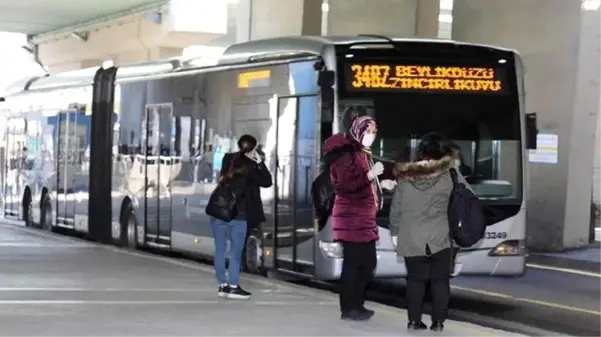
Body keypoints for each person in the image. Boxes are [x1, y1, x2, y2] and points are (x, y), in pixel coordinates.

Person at [389, 132, 472, 332]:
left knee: (415, 280)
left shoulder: (406, 177)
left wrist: (394, 232)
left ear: (421, 153)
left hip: (412, 236)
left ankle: (413, 321)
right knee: (440, 281)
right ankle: (438, 323)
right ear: (443, 153)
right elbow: (468, 198)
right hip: (441, 237)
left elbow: (396, 209)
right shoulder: (451, 175)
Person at [322, 115, 384, 321]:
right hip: (352, 218)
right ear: (358, 131)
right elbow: (346, 185)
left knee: (367, 265)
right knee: (354, 265)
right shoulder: (347, 155)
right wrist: (369, 175)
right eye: (369, 131)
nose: (372, 136)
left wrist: (380, 184)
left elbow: (362, 186)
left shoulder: (361, 153)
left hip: (363, 218)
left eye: (374, 132)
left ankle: (356, 305)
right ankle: (349, 308)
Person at [212, 134, 272, 299]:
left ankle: (222, 286)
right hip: (239, 215)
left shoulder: (227, 159)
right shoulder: (252, 167)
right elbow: (267, 181)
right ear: (253, 149)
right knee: (236, 252)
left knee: (220, 250)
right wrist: (259, 161)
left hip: (220, 213)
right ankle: (233, 286)